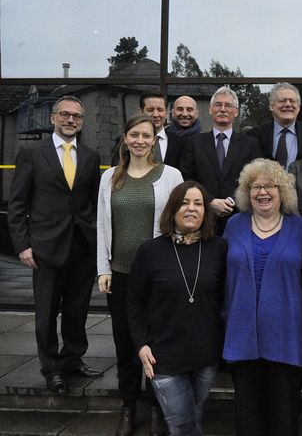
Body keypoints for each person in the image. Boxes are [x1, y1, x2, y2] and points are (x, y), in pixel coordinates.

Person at [8, 96, 103, 394]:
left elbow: (92, 201)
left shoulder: (89, 156)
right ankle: (51, 368)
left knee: (77, 309)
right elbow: (17, 202)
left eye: (76, 116)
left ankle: (73, 358)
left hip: (82, 245)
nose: (70, 120)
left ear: (82, 121)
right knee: (46, 312)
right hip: (46, 247)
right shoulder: (31, 152)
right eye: (65, 114)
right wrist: (23, 244)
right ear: (52, 118)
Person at [97, 114, 184, 436]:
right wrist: (102, 269)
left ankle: (159, 408)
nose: (139, 141)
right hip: (121, 275)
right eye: (134, 135)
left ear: (154, 139)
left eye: (146, 135)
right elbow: (102, 225)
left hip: (157, 278)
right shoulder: (110, 179)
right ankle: (128, 407)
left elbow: (178, 221)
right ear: (125, 138)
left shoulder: (170, 175)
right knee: (125, 346)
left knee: (157, 345)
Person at [127, 181, 226, 436]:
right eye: (184, 203)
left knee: (194, 416)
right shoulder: (150, 251)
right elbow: (134, 301)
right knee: (181, 425)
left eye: (198, 203)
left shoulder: (220, 248)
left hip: (206, 356)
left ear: (206, 212)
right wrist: (141, 344)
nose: (191, 209)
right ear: (172, 210)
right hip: (164, 357)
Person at [222, 159, 302, 436]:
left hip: (287, 336)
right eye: (255, 187)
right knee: (247, 419)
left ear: (282, 190)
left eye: (269, 186)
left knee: (284, 419)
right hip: (242, 336)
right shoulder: (234, 225)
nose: (262, 192)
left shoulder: (300, 227)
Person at [181, 86, 262, 234]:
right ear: (210, 110)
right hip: (202, 218)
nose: (223, 109)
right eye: (218, 105)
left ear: (236, 112)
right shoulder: (194, 143)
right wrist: (210, 201)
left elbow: (254, 179)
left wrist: (231, 201)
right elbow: (187, 178)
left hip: (239, 218)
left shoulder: (250, 144)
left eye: (228, 105)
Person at [112, 90, 185, 169]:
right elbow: (117, 170)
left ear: (166, 113)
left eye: (160, 110)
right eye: (150, 110)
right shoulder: (125, 141)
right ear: (141, 112)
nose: (156, 114)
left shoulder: (180, 142)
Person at [248, 82, 302, 169]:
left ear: (299, 107)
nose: (288, 104)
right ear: (271, 106)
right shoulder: (254, 136)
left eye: (292, 101)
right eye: (282, 101)